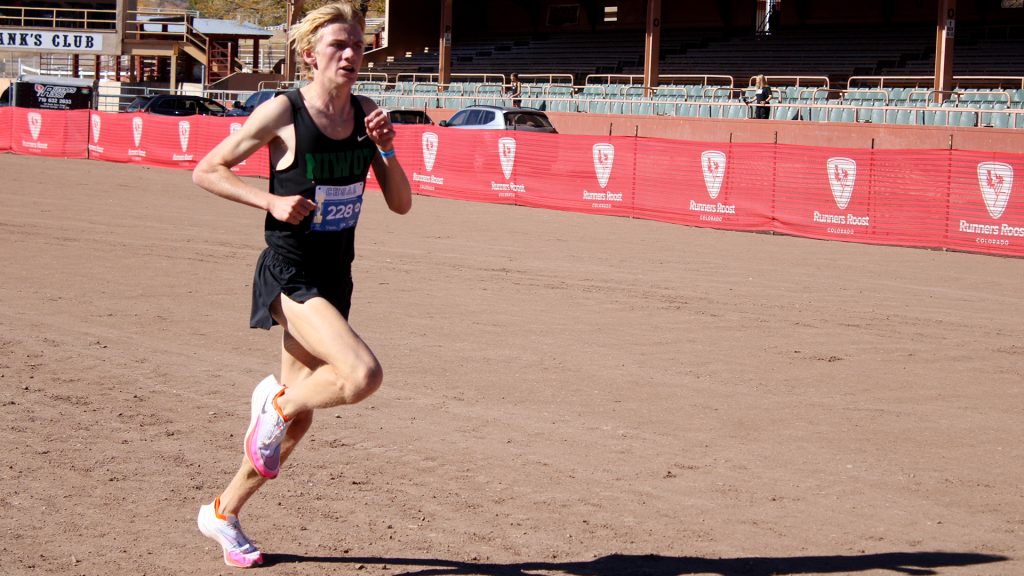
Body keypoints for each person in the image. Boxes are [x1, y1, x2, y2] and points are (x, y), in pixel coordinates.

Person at [191, 1, 412, 568]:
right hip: (291, 271)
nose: (351, 55)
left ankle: (224, 510)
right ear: (310, 55)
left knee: (297, 420)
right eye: (339, 46)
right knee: (361, 375)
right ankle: (276, 404)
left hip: (336, 274)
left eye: (358, 46)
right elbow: (207, 170)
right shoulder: (282, 112)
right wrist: (268, 199)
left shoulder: (366, 113)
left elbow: (401, 204)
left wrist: (386, 147)